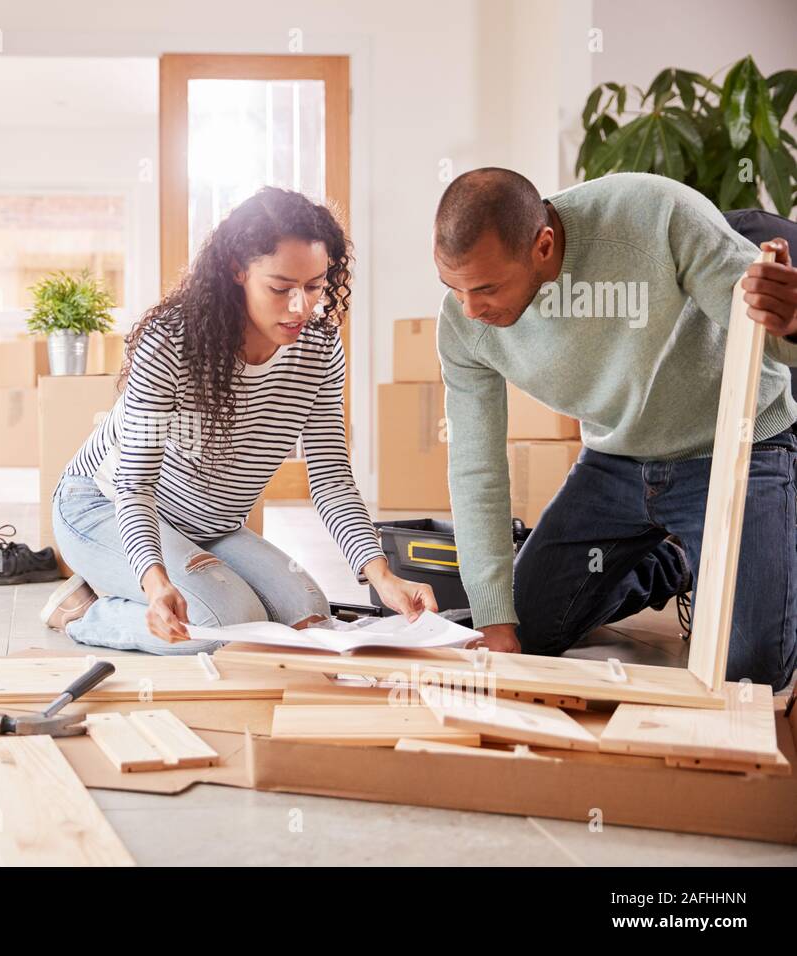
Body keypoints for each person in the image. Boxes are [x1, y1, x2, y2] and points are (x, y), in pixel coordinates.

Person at [434, 168, 797, 689]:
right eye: (454, 287)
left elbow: (773, 341)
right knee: (525, 629)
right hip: (616, 463)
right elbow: (475, 468)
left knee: (749, 670)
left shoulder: (653, 212)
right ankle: (676, 561)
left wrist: (790, 318)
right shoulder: (463, 322)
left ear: (543, 245)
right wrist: (492, 615)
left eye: (486, 288)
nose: (470, 309)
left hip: (737, 445)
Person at [39, 187, 436, 655]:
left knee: (311, 615)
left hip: (210, 525)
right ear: (237, 270)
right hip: (102, 506)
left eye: (314, 286)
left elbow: (330, 476)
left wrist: (382, 575)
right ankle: (88, 612)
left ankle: (171, 584)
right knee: (222, 626)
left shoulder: (320, 349)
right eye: (280, 287)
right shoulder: (170, 343)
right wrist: (155, 582)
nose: (300, 307)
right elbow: (135, 484)